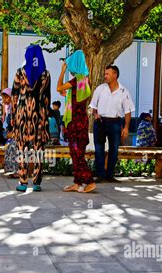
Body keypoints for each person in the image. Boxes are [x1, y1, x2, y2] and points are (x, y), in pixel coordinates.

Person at [11, 44, 51, 192]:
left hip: (22, 114)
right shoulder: (46, 74)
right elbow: (47, 98)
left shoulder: (20, 73)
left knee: (22, 149)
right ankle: (36, 182)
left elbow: (14, 95)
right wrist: (46, 120)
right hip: (39, 116)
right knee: (38, 150)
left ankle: (22, 182)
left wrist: (13, 118)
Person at [57, 50, 96, 193]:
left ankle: (90, 181)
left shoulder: (76, 80)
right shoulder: (84, 80)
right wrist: (67, 93)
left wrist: (62, 71)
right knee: (76, 153)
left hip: (75, 123)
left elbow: (58, 87)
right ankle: (77, 183)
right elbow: (73, 96)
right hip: (81, 121)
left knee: (77, 154)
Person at [90, 65, 135, 183]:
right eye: (105, 74)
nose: (105, 76)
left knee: (114, 149)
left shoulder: (124, 91)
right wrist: (95, 114)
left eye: (107, 74)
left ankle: (110, 174)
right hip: (100, 122)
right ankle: (100, 174)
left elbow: (128, 111)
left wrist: (126, 127)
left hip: (115, 122)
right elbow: (93, 107)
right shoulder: (100, 89)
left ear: (115, 75)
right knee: (99, 149)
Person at [2, 87, 19, 178]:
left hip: (21, 135)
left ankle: (17, 171)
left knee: (13, 146)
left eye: (6, 98)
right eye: (3, 98)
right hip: (14, 135)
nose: (4, 100)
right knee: (9, 146)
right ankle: (11, 169)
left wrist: (13, 133)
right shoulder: (9, 109)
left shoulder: (17, 108)